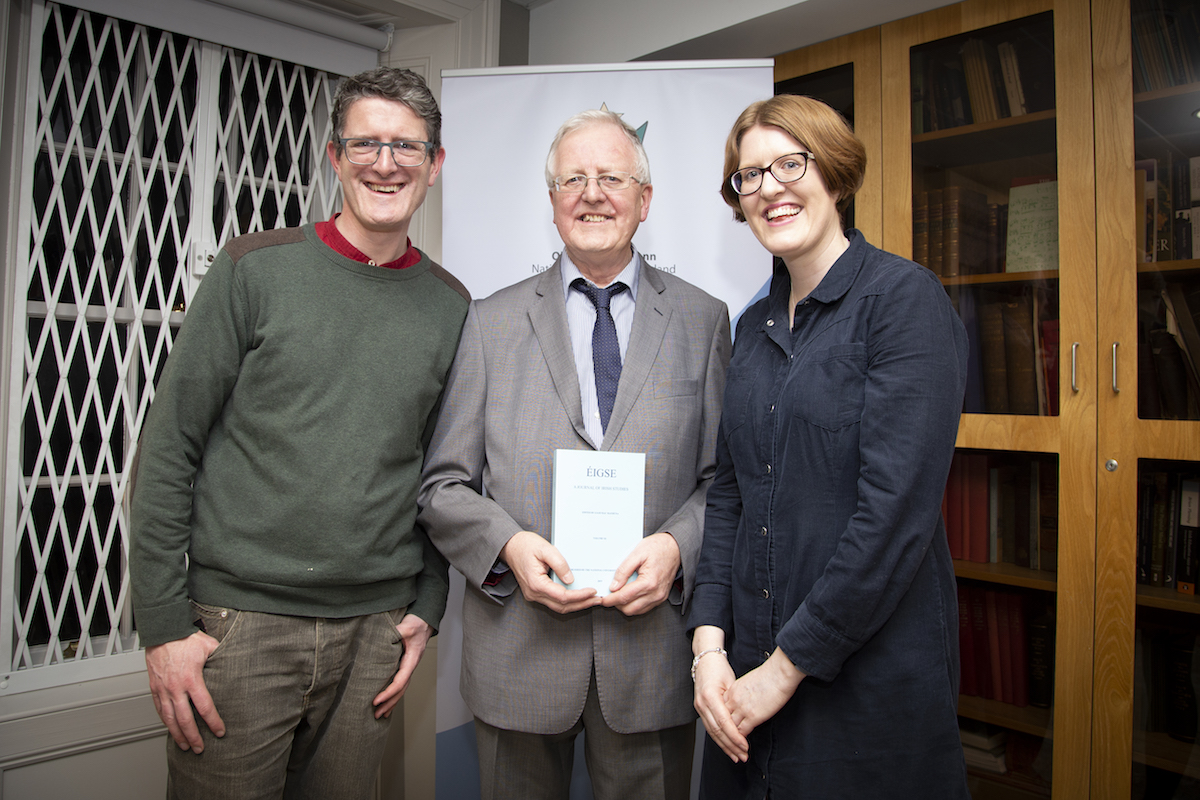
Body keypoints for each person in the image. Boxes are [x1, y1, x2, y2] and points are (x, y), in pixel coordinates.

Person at [129, 67, 469, 799]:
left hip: (375, 633)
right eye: (365, 144)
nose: (385, 163)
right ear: (335, 156)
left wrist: (427, 605)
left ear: (435, 164)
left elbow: (442, 475)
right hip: (239, 627)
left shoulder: (451, 307)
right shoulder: (254, 270)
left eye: (406, 147)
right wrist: (163, 627)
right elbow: (168, 448)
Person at [418, 109, 732, 800]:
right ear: (553, 200)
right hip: (518, 654)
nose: (592, 194)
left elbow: (724, 483)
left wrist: (678, 548)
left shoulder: (703, 320)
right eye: (574, 179)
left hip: (651, 661)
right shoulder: (490, 321)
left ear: (644, 200)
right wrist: (508, 548)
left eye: (612, 178)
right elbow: (443, 485)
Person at [688, 94, 971, 798]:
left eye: (790, 164)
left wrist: (784, 671)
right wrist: (708, 647)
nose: (769, 189)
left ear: (836, 174)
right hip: (745, 676)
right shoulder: (751, 328)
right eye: (749, 176)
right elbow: (729, 495)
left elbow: (892, 519)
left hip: (866, 684)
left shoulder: (904, 301)